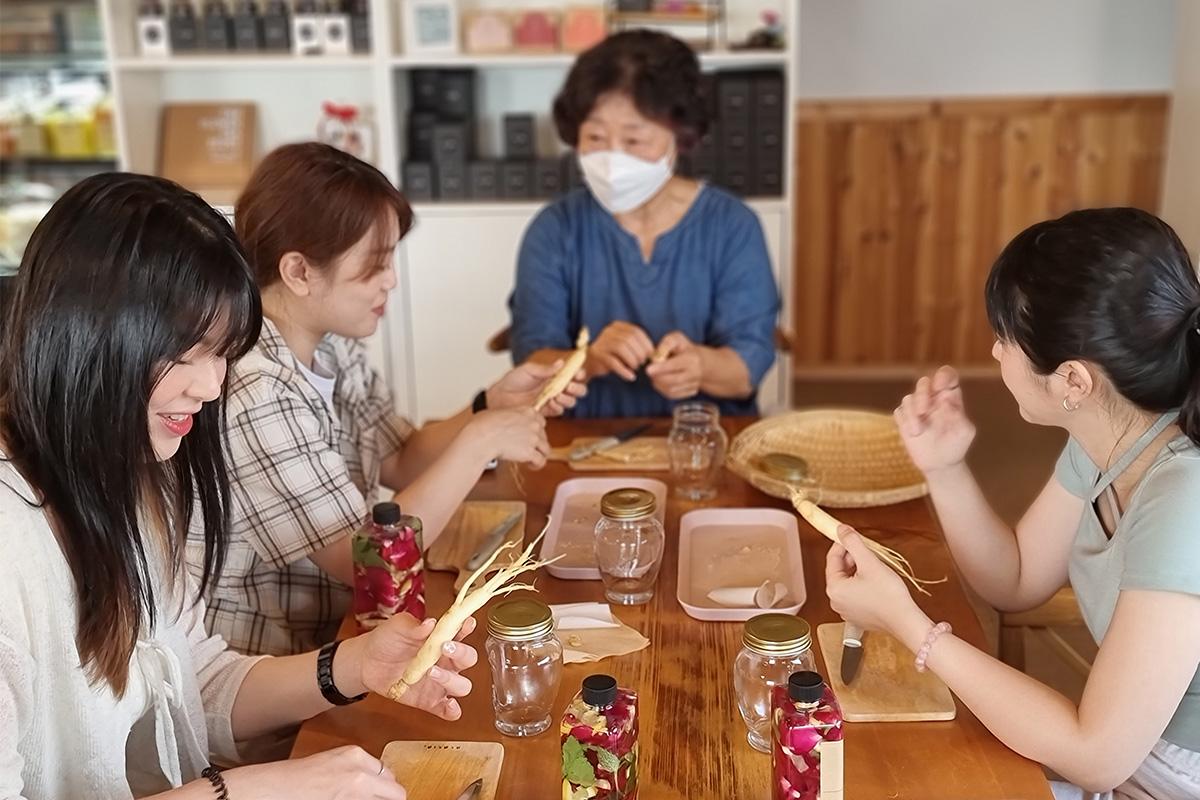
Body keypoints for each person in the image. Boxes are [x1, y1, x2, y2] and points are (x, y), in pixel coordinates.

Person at [0, 173, 476, 799]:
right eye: (188, 352)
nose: (213, 385)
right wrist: (249, 792)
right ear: (90, 334)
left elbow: (196, 683)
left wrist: (358, 666)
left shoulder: (135, 483)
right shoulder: (13, 548)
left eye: (223, 352)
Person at [826, 208, 1200, 799]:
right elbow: (1017, 578)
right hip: (1133, 760)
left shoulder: (1184, 499)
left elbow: (1095, 754)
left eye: (1005, 339)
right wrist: (944, 467)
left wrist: (906, 622)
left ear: (1073, 382)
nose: (996, 354)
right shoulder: (1115, 437)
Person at [190, 142, 584, 658]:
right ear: (299, 272)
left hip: (347, 637)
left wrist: (488, 405)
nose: (391, 280)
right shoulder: (256, 388)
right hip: (277, 666)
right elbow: (372, 566)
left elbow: (399, 457)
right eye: (373, 266)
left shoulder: (332, 346)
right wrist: (479, 439)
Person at [508, 30, 780, 418]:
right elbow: (531, 359)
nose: (613, 158)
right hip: (583, 446)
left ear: (681, 137)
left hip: (706, 440)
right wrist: (589, 359)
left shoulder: (732, 226)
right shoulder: (555, 229)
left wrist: (700, 366)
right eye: (595, 136)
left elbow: (747, 368)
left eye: (635, 140)